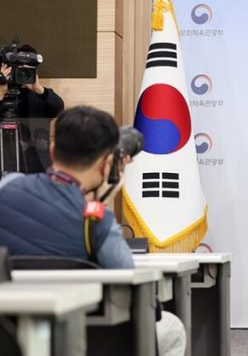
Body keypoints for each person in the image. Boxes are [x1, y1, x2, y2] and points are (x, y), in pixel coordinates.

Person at [0, 105, 185, 356]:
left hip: (10, 333)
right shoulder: (95, 221)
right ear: (108, 164)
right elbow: (128, 282)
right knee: (172, 329)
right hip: (80, 336)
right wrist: (102, 204)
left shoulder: (7, 187)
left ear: (53, 151)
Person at [1, 44, 64, 173]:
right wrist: (1, 91)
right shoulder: (2, 95)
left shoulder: (41, 96)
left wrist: (39, 89)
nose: (23, 73)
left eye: (28, 69)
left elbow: (59, 108)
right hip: (6, 162)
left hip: (36, 165)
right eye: (19, 68)